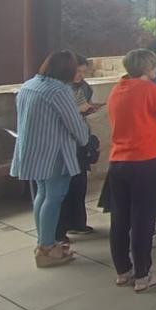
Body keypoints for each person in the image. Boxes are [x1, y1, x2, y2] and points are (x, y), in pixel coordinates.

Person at [105, 48, 156, 291]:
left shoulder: (117, 89)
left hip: (118, 161)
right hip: (145, 161)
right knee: (142, 218)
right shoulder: (148, 89)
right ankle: (143, 274)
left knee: (120, 218)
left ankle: (123, 270)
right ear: (148, 67)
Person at [11, 51, 91, 268]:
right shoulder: (59, 91)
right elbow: (74, 123)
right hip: (54, 152)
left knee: (43, 195)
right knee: (54, 197)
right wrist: (84, 136)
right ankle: (46, 249)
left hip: (31, 150)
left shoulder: (29, 85)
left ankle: (44, 242)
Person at [56, 55, 100, 239]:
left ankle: (77, 222)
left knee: (79, 183)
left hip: (81, 137)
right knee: (64, 187)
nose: (80, 75)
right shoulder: (60, 90)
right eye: (77, 71)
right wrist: (78, 111)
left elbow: (85, 102)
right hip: (66, 141)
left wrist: (88, 109)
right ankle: (60, 230)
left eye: (83, 71)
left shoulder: (83, 86)